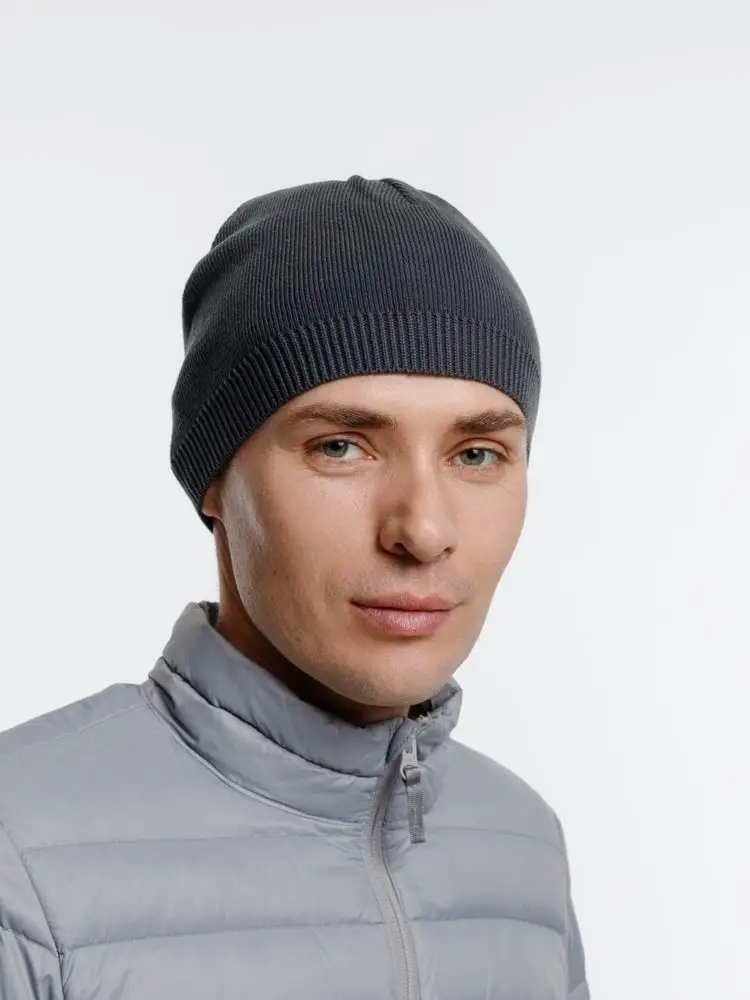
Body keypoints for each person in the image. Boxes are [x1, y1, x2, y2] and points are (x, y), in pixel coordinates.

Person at [0, 175, 590, 999]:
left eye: (476, 455)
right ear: (214, 478)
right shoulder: (20, 853)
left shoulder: (520, 846)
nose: (422, 529)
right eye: (340, 447)